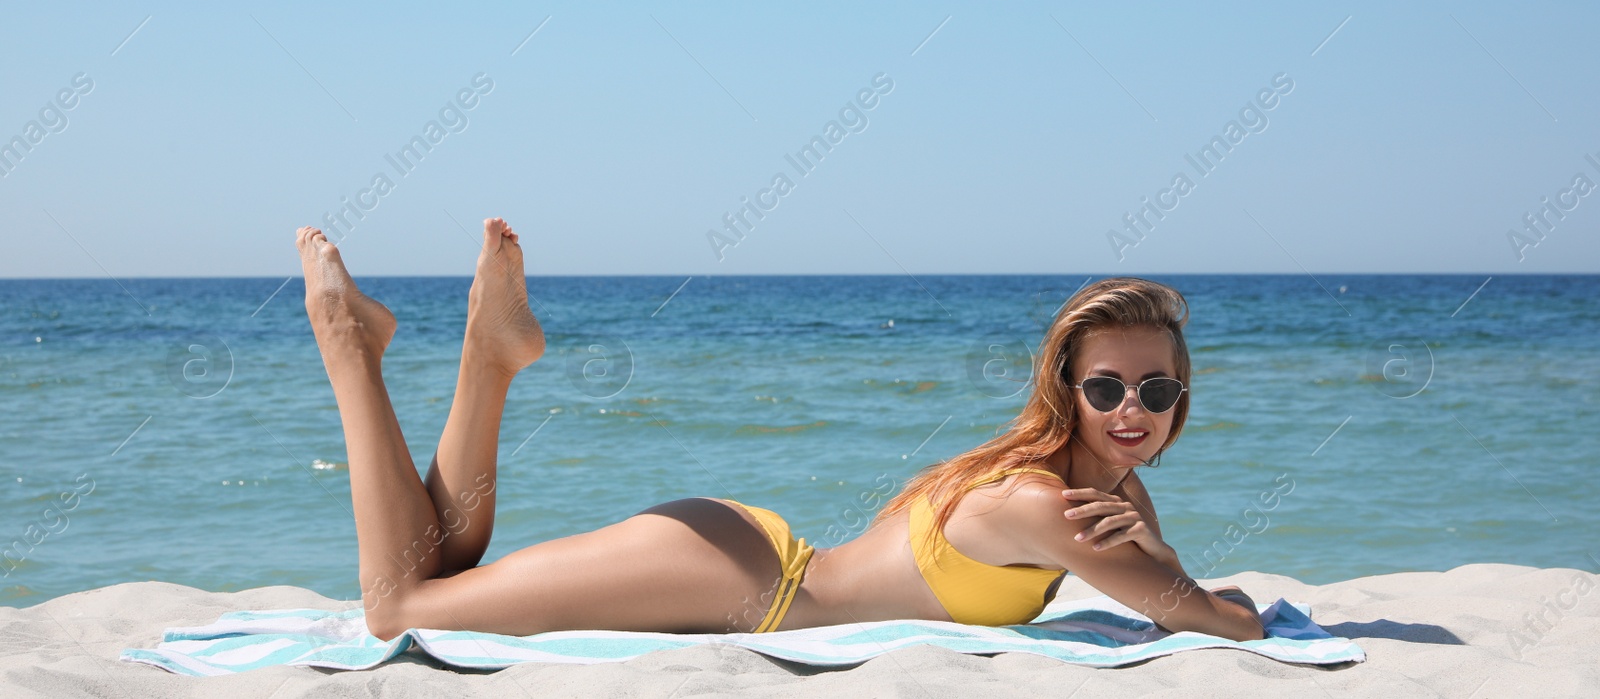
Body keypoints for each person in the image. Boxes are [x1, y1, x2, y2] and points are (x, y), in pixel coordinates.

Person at [296, 218, 1264, 642]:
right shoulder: (1048, 500)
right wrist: (1175, 568)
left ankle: (490, 359)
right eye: (1106, 386)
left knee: (445, 568)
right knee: (400, 605)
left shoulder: (1098, 484)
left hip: (751, 559)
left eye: (1156, 389)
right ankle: (350, 345)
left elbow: (1171, 581)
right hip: (745, 583)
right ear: (1066, 384)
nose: (1132, 409)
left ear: (1183, 397)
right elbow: (1213, 613)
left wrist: (1160, 549)